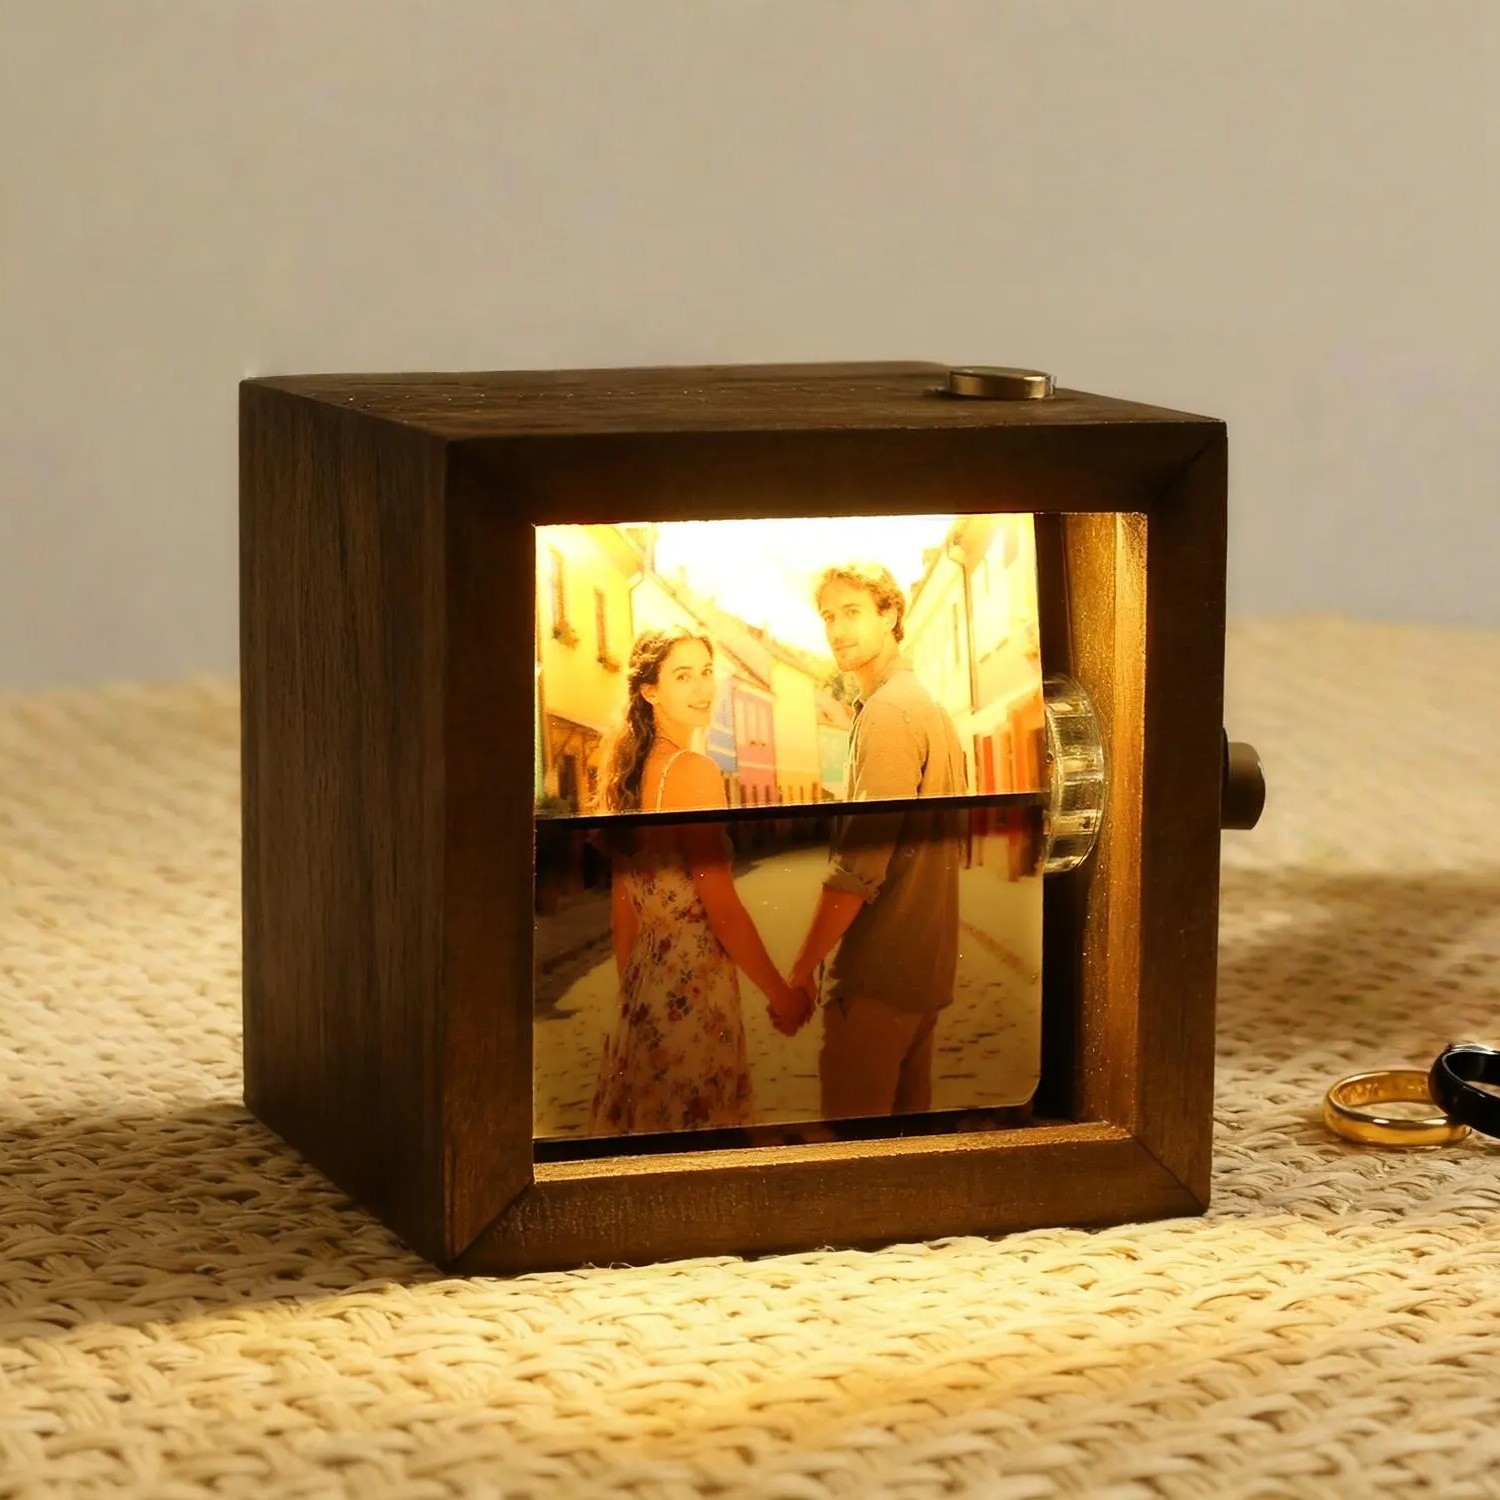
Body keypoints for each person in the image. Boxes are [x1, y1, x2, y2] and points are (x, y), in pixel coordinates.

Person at [588, 626, 814, 1136]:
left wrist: (637, 1004)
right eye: (683, 676)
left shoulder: (632, 774)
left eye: (707, 672)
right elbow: (724, 912)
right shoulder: (692, 771)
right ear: (650, 690)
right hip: (694, 994)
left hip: (644, 991)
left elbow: (624, 914)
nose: (702, 688)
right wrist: (781, 996)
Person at [787, 562, 968, 1120]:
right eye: (828, 617)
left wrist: (802, 968)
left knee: (853, 1145)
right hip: (922, 975)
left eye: (853, 612)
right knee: (905, 1147)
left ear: (890, 615)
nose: (837, 629)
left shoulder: (889, 713)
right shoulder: (926, 705)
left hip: (878, 980)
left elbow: (858, 869)